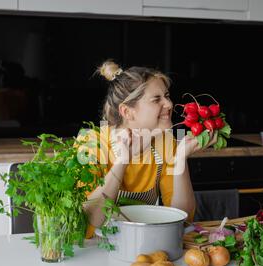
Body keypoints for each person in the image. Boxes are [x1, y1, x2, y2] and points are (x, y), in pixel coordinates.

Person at [82, 60, 217, 238]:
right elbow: (88, 221)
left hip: (145, 246)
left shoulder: (167, 143)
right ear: (127, 112)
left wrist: (180, 158)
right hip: (95, 251)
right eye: (156, 99)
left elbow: (182, 218)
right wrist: (122, 162)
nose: (169, 104)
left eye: (167, 96)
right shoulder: (92, 144)